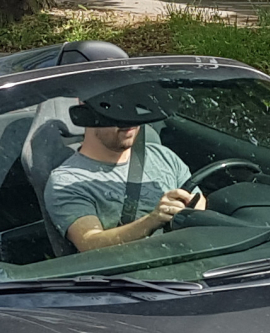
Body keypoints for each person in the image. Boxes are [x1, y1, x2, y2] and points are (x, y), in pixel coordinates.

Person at [42, 89, 208, 253]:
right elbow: (89, 243)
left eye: (132, 107)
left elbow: (198, 201)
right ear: (87, 109)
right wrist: (152, 220)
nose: (129, 121)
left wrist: (192, 210)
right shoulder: (67, 181)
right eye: (114, 109)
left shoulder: (163, 156)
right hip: (131, 275)